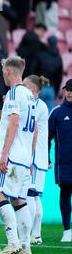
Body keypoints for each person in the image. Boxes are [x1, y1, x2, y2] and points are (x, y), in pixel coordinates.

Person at [0, 56, 37, 254]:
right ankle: (26, 247)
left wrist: (4, 154)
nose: (2, 74)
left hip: (12, 156)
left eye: (3, 71)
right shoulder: (29, 95)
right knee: (19, 200)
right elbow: (34, 129)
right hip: (25, 157)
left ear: (8, 71)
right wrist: (31, 159)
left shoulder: (14, 94)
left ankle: (13, 243)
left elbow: (14, 123)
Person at [23, 75, 50, 245]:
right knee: (35, 196)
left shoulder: (35, 106)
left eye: (24, 85)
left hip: (33, 157)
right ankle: (36, 234)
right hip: (39, 157)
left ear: (32, 89)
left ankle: (31, 234)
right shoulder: (41, 105)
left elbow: (33, 132)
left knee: (30, 195)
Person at [48, 79, 72, 243]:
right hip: (64, 163)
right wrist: (46, 158)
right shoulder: (56, 113)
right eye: (67, 89)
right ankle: (67, 230)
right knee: (65, 194)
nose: (69, 92)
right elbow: (46, 138)